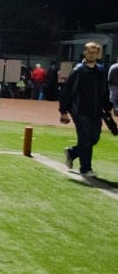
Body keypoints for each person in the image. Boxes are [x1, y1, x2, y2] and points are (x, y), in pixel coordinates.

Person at [59, 41, 114, 178]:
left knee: (94, 138)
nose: (92, 55)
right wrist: (63, 111)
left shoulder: (101, 71)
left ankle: (72, 152)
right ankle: (85, 168)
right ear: (84, 53)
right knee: (85, 138)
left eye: (94, 52)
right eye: (89, 52)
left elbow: (104, 91)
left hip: (96, 111)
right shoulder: (78, 71)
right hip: (80, 111)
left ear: (98, 54)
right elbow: (67, 91)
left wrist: (108, 106)